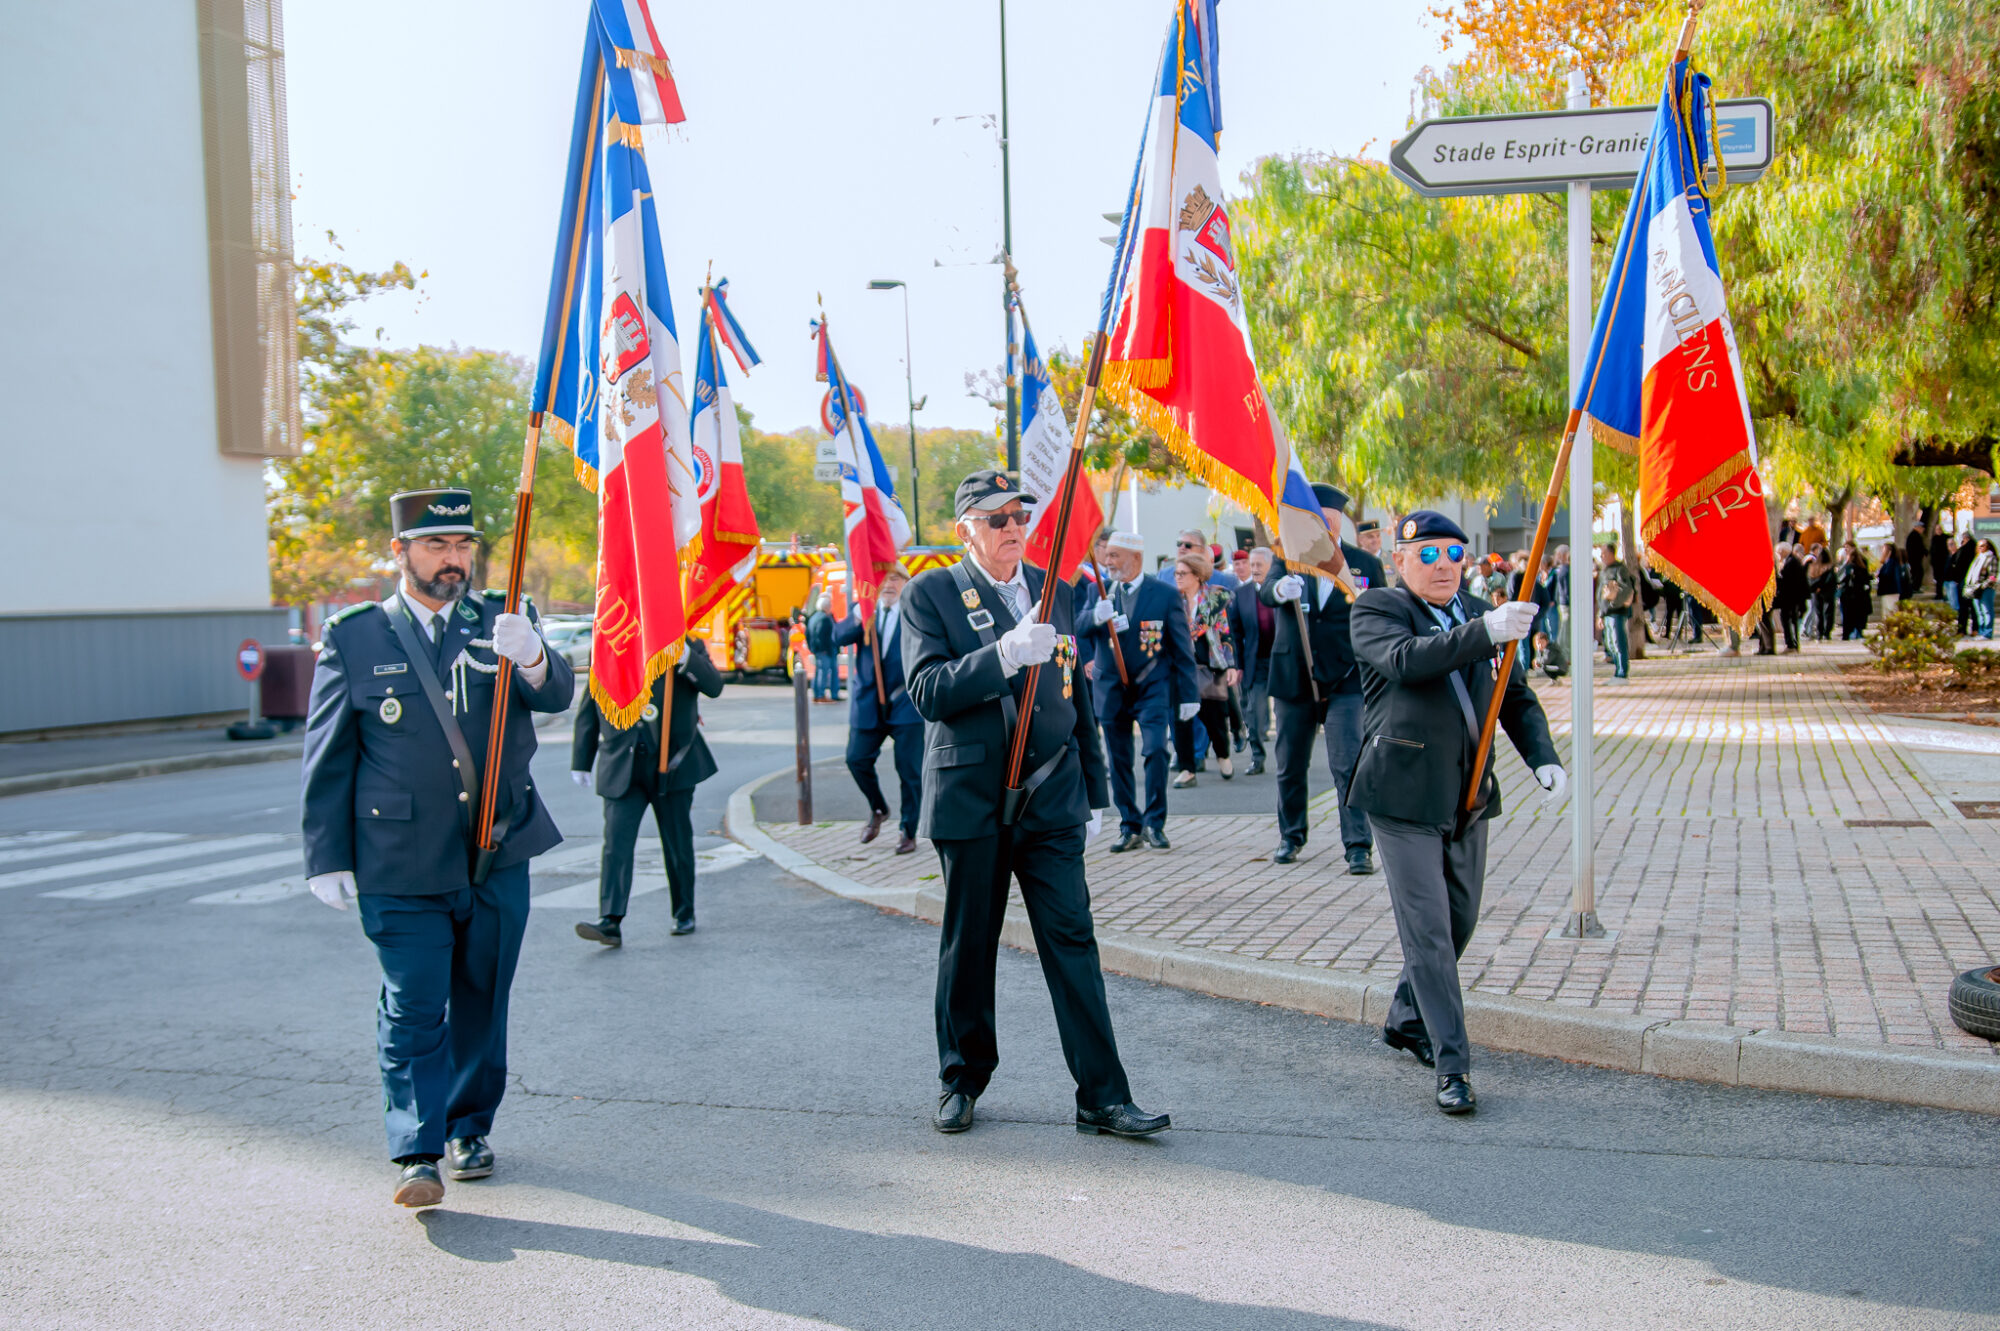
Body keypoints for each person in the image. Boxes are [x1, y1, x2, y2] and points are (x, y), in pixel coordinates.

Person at [302, 488, 575, 1207]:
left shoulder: (503, 621)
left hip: (496, 850)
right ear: (400, 552)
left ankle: (468, 1127)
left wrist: (539, 658)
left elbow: (556, 699)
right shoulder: (356, 636)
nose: (454, 561)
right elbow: (329, 755)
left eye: (463, 547)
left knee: (483, 1000)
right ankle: (417, 1151)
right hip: (399, 858)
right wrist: (326, 853)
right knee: (415, 1003)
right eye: (436, 546)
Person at [902, 469, 1168, 1139]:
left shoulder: (1061, 591)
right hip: (972, 796)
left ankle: (1103, 1094)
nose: (1013, 528)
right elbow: (927, 690)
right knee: (970, 944)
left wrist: (1099, 790)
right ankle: (961, 1076)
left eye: (1019, 515)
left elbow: (1074, 697)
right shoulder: (931, 593)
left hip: (1052, 793)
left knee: (1072, 938)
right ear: (965, 530)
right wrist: (1002, 654)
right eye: (996, 519)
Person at [1347, 511, 1562, 1115]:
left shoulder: (1475, 612)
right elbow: (1411, 661)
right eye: (1429, 554)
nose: (1443, 566)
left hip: (1469, 794)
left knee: (1459, 920)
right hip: (1402, 795)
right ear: (1400, 560)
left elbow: (1512, 694)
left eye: (1453, 555)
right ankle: (1453, 1065)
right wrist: (1486, 631)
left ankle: (1405, 1017)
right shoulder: (1378, 609)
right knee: (1430, 934)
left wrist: (1542, 758)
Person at [1260, 483, 1387, 874]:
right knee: (1290, 762)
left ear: (1340, 524)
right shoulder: (1289, 556)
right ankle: (1291, 835)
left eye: (1331, 523)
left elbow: (1383, 614)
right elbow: (1265, 592)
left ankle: (1357, 846)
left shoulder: (1364, 564)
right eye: (1318, 522)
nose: (1325, 530)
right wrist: (1281, 588)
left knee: (1348, 761)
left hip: (1347, 676)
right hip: (1295, 675)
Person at [571, 636, 725, 945]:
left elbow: (713, 686)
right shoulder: (610, 640)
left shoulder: (685, 643)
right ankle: (610, 920)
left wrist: (685, 658)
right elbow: (592, 703)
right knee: (616, 844)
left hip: (672, 763)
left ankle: (684, 911)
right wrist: (582, 760)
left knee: (677, 842)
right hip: (622, 763)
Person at [1080, 531, 1196, 851]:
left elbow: (1182, 648)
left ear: (1136, 558)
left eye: (1115, 555)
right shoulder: (1097, 591)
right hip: (1110, 686)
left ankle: (1154, 823)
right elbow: (1077, 627)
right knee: (1118, 760)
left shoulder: (1165, 595)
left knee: (1156, 750)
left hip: (1152, 686)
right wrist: (1094, 616)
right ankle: (1129, 824)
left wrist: (1189, 695)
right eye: (1106, 554)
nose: (1107, 561)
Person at [830, 564, 923, 855]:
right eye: (883, 578)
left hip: (906, 702)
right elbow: (837, 638)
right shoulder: (865, 613)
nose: (888, 584)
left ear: (906, 583)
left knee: (910, 771)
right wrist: (858, 613)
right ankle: (878, 808)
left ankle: (908, 829)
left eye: (895, 578)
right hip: (869, 703)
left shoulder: (916, 612)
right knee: (856, 759)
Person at [1171, 548, 1237, 787]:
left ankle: (1223, 755)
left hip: (1210, 666)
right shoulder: (1172, 600)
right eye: (1176, 573)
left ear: (1197, 575)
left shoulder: (1216, 598)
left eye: (1183, 573)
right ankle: (1188, 769)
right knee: (1181, 720)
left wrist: (1230, 665)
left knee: (1215, 719)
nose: (1177, 577)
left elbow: (1225, 634)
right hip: (1180, 669)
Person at [1241, 547, 1277, 775]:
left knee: (1286, 714)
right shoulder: (1241, 594)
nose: (1254, 570)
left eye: (1258, 565)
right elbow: (1234, 632)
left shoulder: (1282, 590)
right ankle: (1257, 758)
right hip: (1256, 663)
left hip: (1281, 660)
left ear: (1270, 567)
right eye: (1251, 565)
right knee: (1254, 711)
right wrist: (1237, 666)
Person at [1598, 541, 1637, 680]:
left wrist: (1613, 603)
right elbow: (1601, 596)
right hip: (1607, 613)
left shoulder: (1620, 569)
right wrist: (1601, 614)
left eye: (1604, 553)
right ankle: (1617, 671)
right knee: (1610, 643)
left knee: (1618, 642)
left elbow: (1626, 589)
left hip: (1617, 612)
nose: (1601, 556)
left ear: (1610, 554)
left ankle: (1622, 672)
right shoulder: (1604, 570)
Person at [1772, 543, 1807, 651]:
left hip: (1790, 597)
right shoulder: (1791, 561)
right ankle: (1792, 643)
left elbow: (1788, 581)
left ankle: (1791, 644)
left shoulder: (1791, 562)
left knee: (1788, 620)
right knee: (1789, 620)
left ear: (1783, 552)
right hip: (1791, 597)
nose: (1777, 555)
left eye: (1778, 552)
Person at [806, 595, 840, 703]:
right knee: (823, 672)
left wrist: (812, 648)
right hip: (826, 650)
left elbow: (807, 634)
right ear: (827, 607)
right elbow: (822, 635)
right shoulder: (824, 618)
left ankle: (817, 694)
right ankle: (821, 695)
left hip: (818, 650)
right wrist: (824, 649)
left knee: (819, 672)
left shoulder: (813, 617)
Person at [1838, 542, 1873, 639]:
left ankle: (1851, 633)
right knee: (1853, 615)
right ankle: (1855, 633)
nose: (1846, 550)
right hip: (1855, 592)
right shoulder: (1848, 561)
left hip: (1852, 593)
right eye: (1845, 548)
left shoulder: (1853, 563)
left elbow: (1844, 577)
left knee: (1850, 615)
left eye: (1847, 548)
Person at [1968, 538, 1998, 640]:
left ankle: (1987, 633)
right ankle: (1981, 632)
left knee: (1987, 611)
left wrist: (1982, 586)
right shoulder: (1978, 558)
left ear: (1988, 546)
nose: (1980, 548)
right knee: (1979, 612)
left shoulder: (1991, 558)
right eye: (1978, 546)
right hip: (1975, 588)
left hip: (1987, 588)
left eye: (1982, 545)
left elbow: (1992, 576)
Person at [1950, 534, 1979, 636]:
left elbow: (1957, 564)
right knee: (1973, 606)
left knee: (1963, 607)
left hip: (1964, 580)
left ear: (1966, 539)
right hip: (1973, 581)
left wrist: (1956, 579)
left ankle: (1962, 629)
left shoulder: (1964, 550)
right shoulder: (1976, 549)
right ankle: (1975, 629)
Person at [1807, 544, 1836, 641]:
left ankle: (1819, 632)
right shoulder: (1829, 567)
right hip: (1827, 592)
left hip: (1816, 592)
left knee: (1818, 613)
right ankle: (1827, 632)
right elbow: (1831, 579)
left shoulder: (1813, 567)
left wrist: (1816, 587)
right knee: (1828, 612)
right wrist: (1822, 586)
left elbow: (1810, 579)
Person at [1876, 543, 1906, 619]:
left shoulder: (1892, 562)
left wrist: (1879, 574)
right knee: (1887, 611)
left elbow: (1887, 575)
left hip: (1890, 590)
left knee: (1890, 611)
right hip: (1888, 590)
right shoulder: (1889, 562)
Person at [1905, 521, 1928, 595]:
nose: (1923, 530)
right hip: (1915, 559)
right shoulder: (1914, 535)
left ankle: (1914, 587)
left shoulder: (1914, 535)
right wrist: (1925, 552)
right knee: (1918, 573)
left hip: (1914, 559)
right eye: (1921, 528)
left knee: (1916, 573)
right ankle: (1915, 588)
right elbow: (1918, 547)